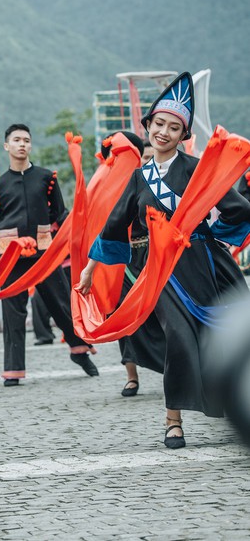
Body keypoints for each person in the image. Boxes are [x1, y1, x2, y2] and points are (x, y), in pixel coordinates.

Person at [78, 72, 250, 448]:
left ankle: (235, 403)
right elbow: (114, 224)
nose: (165, 132)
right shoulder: (140, 178)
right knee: (178, 337)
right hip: (161, 273)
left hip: (203, 265)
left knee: (224, 339)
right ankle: (173, 420)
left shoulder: (197, 168)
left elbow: (236, 208)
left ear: (183, 135)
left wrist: (212, 234)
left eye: (174, 128)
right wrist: (90, 269)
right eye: (159, 124)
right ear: (149, 126)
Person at [0, 124, 98, 386]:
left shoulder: (47, 178)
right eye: (16, 140)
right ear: (7, 146)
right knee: (13, 312)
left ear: (30, 145)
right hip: (10, 257)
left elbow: (61, 214)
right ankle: (13, 370)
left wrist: (80, 235)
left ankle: (79, 351)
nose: (22, 144)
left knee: (61, 304)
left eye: (26, 140)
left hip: (44, 255)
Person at [101, 132, 166, 398]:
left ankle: (175, 366)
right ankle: (131, 376)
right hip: (124, 259)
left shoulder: (158, 183)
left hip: (156, 256)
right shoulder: (112, 184)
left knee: (163, 312)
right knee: (121, 313)